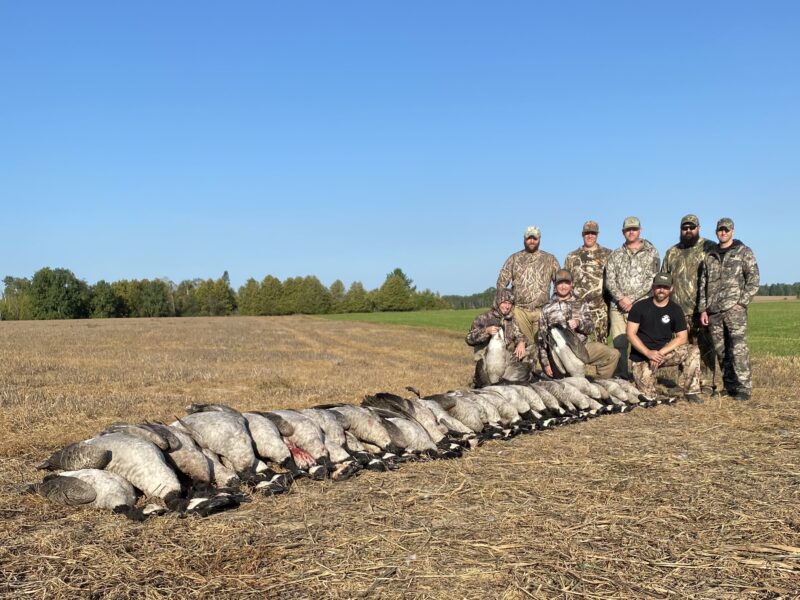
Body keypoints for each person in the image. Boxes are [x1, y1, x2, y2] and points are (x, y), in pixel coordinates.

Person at [698, 218, 760, 401]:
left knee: (738, 348)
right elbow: (703, 285)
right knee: (721, 350)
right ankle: (730, 385)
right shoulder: (710, 256)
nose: (723, 233)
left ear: (732, 231)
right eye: (720, 230)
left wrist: (741, 302)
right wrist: (703, 309)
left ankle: (744, 388)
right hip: (714, 311)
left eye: (726, 230)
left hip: (735, 311)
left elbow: (754, 279)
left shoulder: (743, 252)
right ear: (716, 232)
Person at [661, 214, 718, 394]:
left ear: (698, 228)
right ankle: (685, 383)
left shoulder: (709, 247)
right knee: (682, 348)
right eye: (685, 228)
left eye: (691, 228)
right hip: (678, 310)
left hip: (702, 309)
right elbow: (665, 280)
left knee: (706, 346)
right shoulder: (672, 252)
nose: (688, 231)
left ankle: (708, 383)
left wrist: (710, 306)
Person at [626, 273, 703, 403]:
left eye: (665, 287)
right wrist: (648, 353)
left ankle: (691, 391)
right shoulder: (639, 307)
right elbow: (630, 334)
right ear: (653, 287)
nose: (661, 290)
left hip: (664, 353)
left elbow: (682, 337)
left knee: (692, 350)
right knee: (648, 397)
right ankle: (646, 384)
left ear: (671, 289)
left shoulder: (675, 309)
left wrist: (660, 353)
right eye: (658, 286)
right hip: (643, 356)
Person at [604, 216, 660, 380]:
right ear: (623, 232)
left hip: (642, 306)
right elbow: (610, 279)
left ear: (639, 231)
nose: (631, 232)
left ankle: (643, 376)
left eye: (634, 229)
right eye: (628, 230)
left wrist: (632, 299)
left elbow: (653, 279)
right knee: (619, 343)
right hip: (617, 307)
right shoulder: (616, 254)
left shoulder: (652, 252)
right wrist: (621, 298)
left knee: (642, 341)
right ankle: (621, 374)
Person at [536, 269, 619, 379]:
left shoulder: (581, 303)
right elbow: (542, 339)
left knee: (613, 354)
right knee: (564, 384)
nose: (563, 286)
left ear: (572, 284)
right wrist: (546, 364)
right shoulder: (546, 308)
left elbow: (590, 328)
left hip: (582, 348)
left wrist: (579, 323)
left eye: (567, 283)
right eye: (560, 283)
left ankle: (599, 383)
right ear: (554, 285)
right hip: (559, 352)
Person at [496, 225, 560, 348]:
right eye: (529, 238)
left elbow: (560, 283)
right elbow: (501, 283)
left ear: (539, 239)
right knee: (523, 348)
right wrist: (505, 305)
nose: (531, 241)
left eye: (534, 238)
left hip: (542, 311)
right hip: (520, 311)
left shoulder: (550, 259)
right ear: (524, 239)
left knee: (544, 348)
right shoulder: (514, 258)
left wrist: (553, 304)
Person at [465, 289, 529, 387]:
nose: (507, 306)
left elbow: (520, 335)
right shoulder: (484, 318)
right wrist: (486, 331)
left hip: (505, 360)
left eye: (510, 303)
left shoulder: (511, 320)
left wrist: (521, 342)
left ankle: (519, 382)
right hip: (487, 361)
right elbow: (469, 338)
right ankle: (480, 382)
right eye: (504, 303)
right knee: (486, 385)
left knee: (531, 350)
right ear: (498, 302)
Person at [564, 220, 612, 344]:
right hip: (577, 309)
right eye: (587, 233)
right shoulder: (572, 257)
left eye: (593, 233)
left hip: (600, 310)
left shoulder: (608, 254)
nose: (590, 236)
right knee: (577, 345)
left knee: (601, 346)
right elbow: (564, 283)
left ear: (597, 235)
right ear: (582, 234)